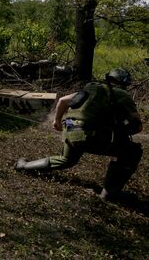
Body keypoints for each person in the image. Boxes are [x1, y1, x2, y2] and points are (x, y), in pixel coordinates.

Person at [14, 68, 144, 200]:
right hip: (91, 135)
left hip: (71, 130)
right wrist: (120, 131)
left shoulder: (90, 89)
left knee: (66, 160)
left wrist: (57, 121)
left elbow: (62, 101)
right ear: (125, 83)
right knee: (132, 152)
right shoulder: (122, 95)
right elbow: (138, 127)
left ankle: (24, 166)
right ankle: (110, 193)